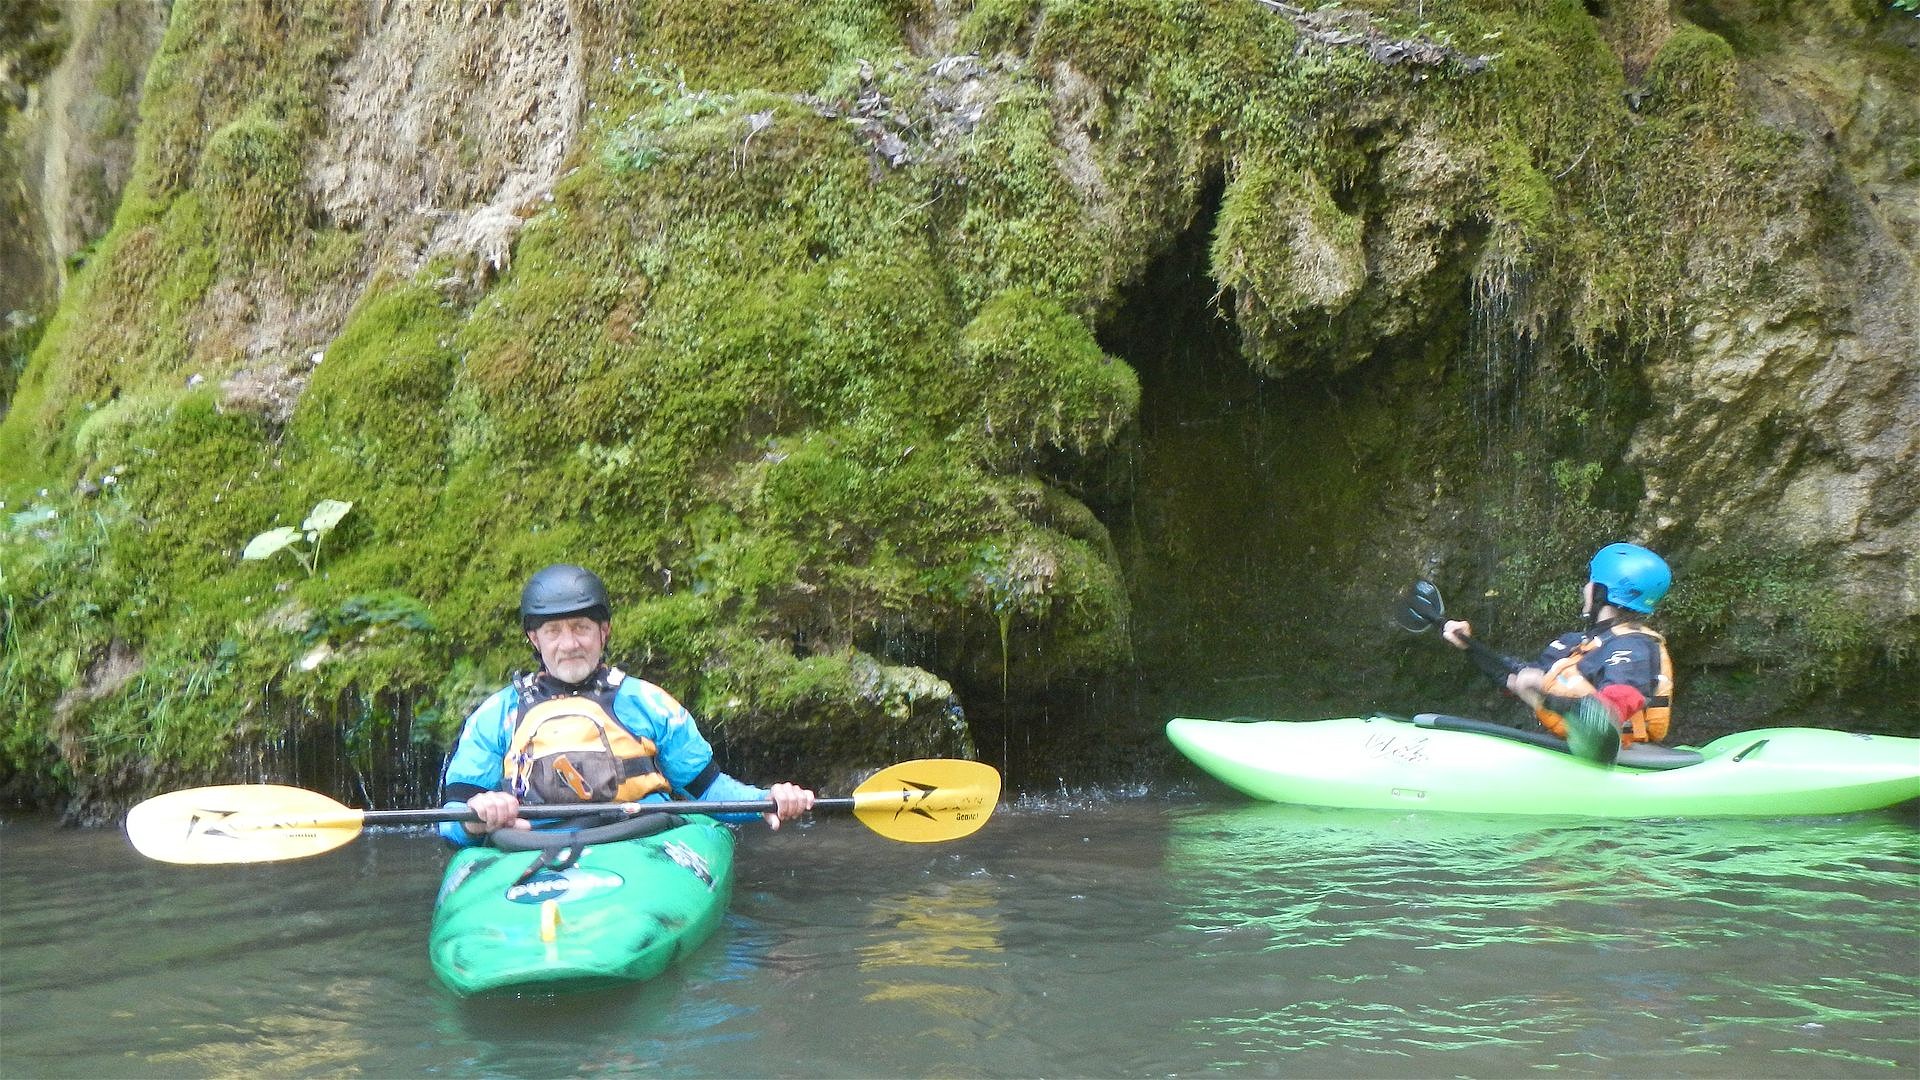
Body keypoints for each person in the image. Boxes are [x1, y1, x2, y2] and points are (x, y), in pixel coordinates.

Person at [439, 563, 814, 845]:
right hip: (532, 845)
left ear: (604, 632)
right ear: (534, 639)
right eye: (554, 631)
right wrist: (477, 818)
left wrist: (769, 798)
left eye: (581, 628)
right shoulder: (495, 716)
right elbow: (450, 818)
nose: (569, 644)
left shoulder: (649, 703)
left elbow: (708, 791)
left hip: (641, 839)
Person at [1442, 543, 1675, 748]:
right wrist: (1468, 645)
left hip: (1622, 757)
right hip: (1568, 748)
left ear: (1599, 592)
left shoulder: (1633, 649)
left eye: (1591, 582)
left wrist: (1543, 693)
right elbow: (1516, 678)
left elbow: (1608, 719)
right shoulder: (1577, 643)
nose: (1586, 588)